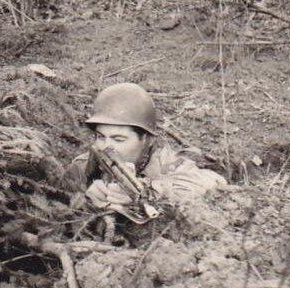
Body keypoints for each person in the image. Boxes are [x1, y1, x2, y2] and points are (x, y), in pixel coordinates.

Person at [62, 83, 227, 216]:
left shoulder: (166, 162)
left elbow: (212, 181)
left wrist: (147, 191)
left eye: (118, 139)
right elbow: (60, 203)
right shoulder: (82, 166)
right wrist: (86, 200)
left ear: (147, 140)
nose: (106, 147)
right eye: (100, 137)